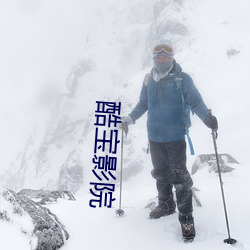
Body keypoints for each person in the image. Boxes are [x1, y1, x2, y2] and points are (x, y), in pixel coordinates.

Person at [121, 39, 218, 242]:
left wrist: (206, 118)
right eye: (158, 54)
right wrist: (130, 118)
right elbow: (143, 103)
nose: (162, 57)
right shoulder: (149, 79)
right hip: (154, 137)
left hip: (175, 138)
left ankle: (186, 219)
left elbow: (196, 101)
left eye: (167, 54)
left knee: (180, 178)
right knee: (160, 173)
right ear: (153, 57)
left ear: (172, 57)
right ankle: (165, 205)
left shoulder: (182, 79)